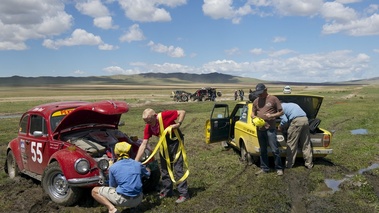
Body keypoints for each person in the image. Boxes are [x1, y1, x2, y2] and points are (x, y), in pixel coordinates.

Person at [136, 108, 190, 203]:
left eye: (150, 121)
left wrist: (178, 123)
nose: (149, 123)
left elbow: (182, 112)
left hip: (175, 141)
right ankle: (167, 191)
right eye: (146, 122)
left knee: (178, 167)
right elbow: (144, 144)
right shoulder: (148, 127)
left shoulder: (164, 116)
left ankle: (184, 194)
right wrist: (136, 161)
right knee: (164, 168)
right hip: (163, 143)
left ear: (155, 116)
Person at [91, 142, 150, 213]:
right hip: (138, 199)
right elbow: (148, 173)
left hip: (122, 200)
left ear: (115, 153)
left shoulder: (113, 167)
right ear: (129, 152)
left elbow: (112, 186)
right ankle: (133, 207)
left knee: (94, 191)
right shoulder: (137, 164)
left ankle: (112, 209)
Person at [251, 83, 284, 176]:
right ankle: (265, 168)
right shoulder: (256, 101)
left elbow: (281, 112)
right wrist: (254, 117)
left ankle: (279, 168)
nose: (259, 95)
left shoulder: (273, 99)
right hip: (260, 129)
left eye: (261, 93)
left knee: (274, 149)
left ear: (266, 90)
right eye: (258, 93)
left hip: (270, 129)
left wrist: (272, 115)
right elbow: (252, 113)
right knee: (263, 149)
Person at [278, 102, 313, 169]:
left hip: (296, 121)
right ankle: (309, 164)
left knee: (292, 143)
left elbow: (285, 120)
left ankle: (289, 164)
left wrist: (280, 127)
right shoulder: (292, 104)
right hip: (305, 120)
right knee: (306, 143)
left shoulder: (280, 108)